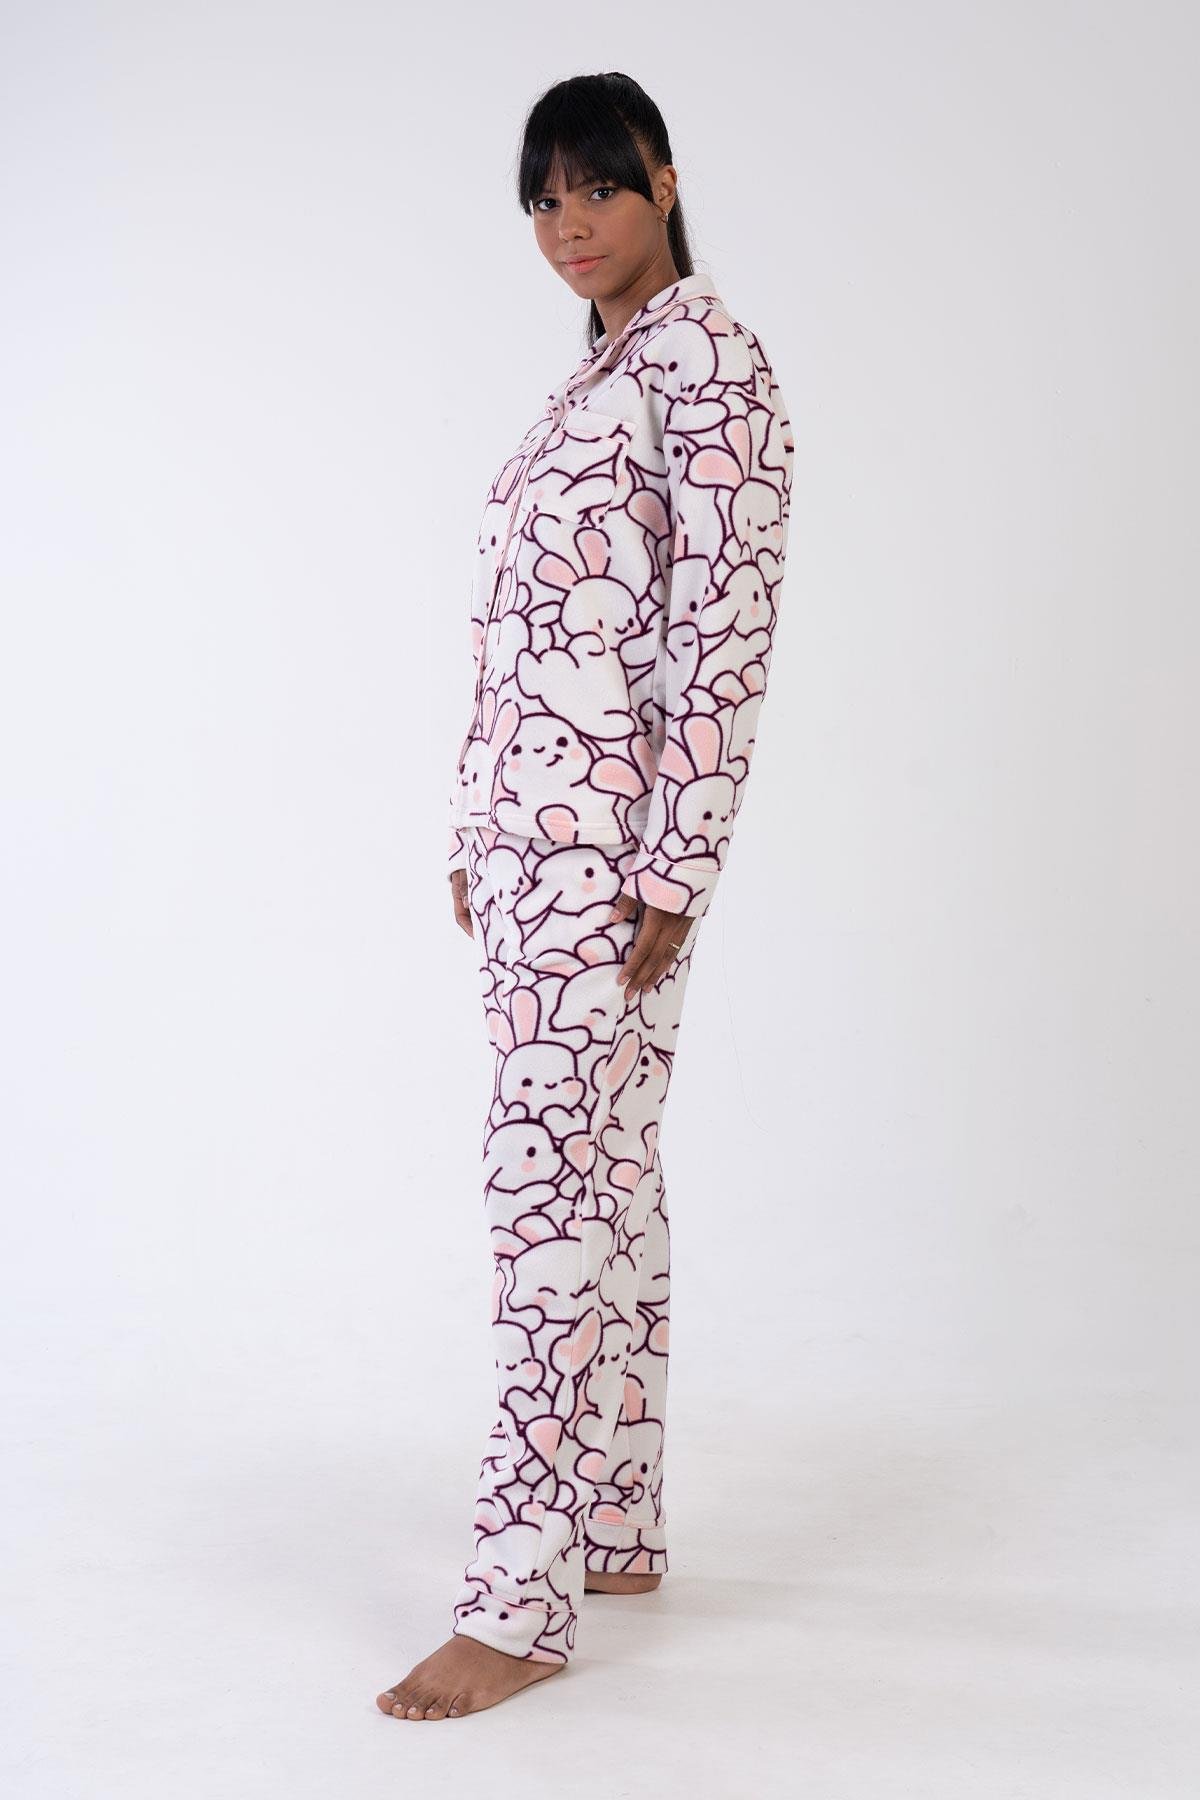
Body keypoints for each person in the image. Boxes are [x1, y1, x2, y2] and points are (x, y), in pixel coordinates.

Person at [377, 70, 793, 1723]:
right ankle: (612, 1516)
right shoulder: (597, 378)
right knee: (606, 1177)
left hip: (613, 860)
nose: (568, 224)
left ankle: (518, 1599)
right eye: (544, 199)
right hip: (535, 854)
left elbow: (726, 629)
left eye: (597, 189)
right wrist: (475, 824)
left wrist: (677, 866)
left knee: (545, 1204)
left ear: (664, 183)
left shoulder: (710, 363)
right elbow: (536, 625)